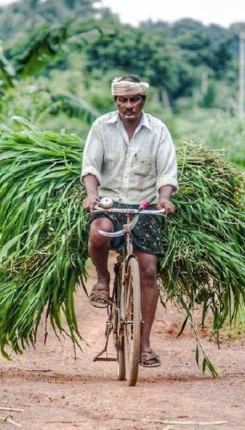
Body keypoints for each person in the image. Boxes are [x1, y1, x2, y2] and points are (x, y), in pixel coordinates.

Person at [80, 75, 178, 368]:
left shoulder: (158, 130)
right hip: (109, 203)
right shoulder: (101, 127)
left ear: (143, 101)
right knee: (99, 232)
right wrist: (92, 195)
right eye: (122, 100)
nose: (128, 105)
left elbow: (167, 172)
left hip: (144, 207)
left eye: (134, 99)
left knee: (148, 269)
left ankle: (144, 346)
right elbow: (90, 167)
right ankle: (102, 279)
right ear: (116, 101)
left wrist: (164, 198)